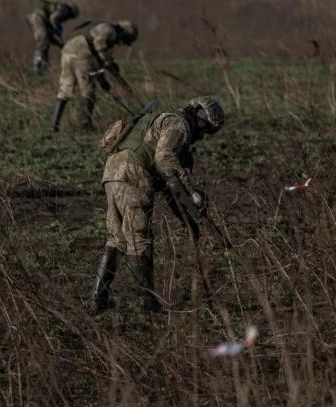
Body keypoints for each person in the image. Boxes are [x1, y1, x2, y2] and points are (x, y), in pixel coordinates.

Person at [88, 96, 226, 315]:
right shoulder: (178, 125)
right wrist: (192, 193)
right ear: (201, 120)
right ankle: (147, 304)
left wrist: (188, 220)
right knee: (139, 240)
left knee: (117, 237)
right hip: (134, 176)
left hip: (112, 172)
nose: (202, 136)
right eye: (206, 130)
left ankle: (98, 299)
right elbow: (164, 160)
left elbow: (169, 185)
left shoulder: (158, 120)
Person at [49, 20, 138, 133]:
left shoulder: (99, 27)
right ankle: (85, 125)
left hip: (67, 52)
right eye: (125, 40)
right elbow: (99, 48)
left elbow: (96, 61)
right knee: (88, 92)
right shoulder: (109, 30)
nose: (121, 43)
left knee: (65, 89)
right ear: (125, 33)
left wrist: (103, 81)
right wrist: (110, 64)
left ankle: (53, 126)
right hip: (81, 56)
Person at [25, 2, 80, 75]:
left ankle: (44, 66)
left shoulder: (58, 9)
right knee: (42, 39)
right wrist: (58, 29)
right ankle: (37, 66)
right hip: (37, 16)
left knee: (46, 41)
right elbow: (53, 18)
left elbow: (52, 36)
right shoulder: (65, 10)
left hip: (35, 17)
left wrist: (60, 44)